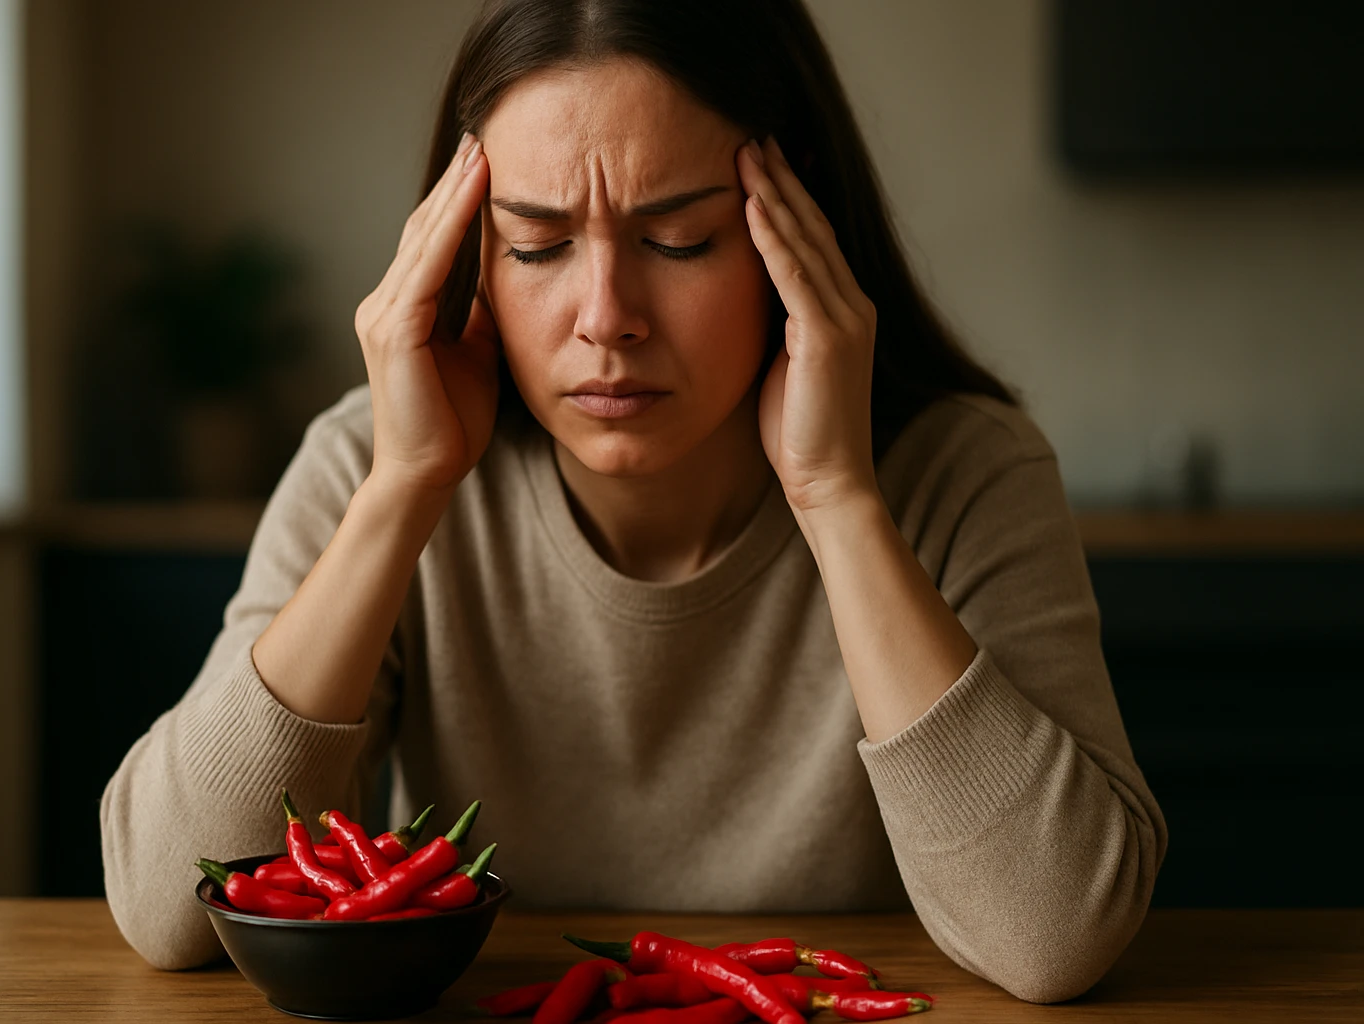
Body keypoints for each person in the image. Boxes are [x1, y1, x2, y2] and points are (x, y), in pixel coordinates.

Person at [101, 0, 1167, 1002]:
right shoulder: (372, 463)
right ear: (466, 254)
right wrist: (399, 493)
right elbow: (166, 907)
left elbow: (1055, 935)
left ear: (794, 234)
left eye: (680, 240)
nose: (605, 316)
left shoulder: (966, 470)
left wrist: (837, 494)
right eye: (536, 245)